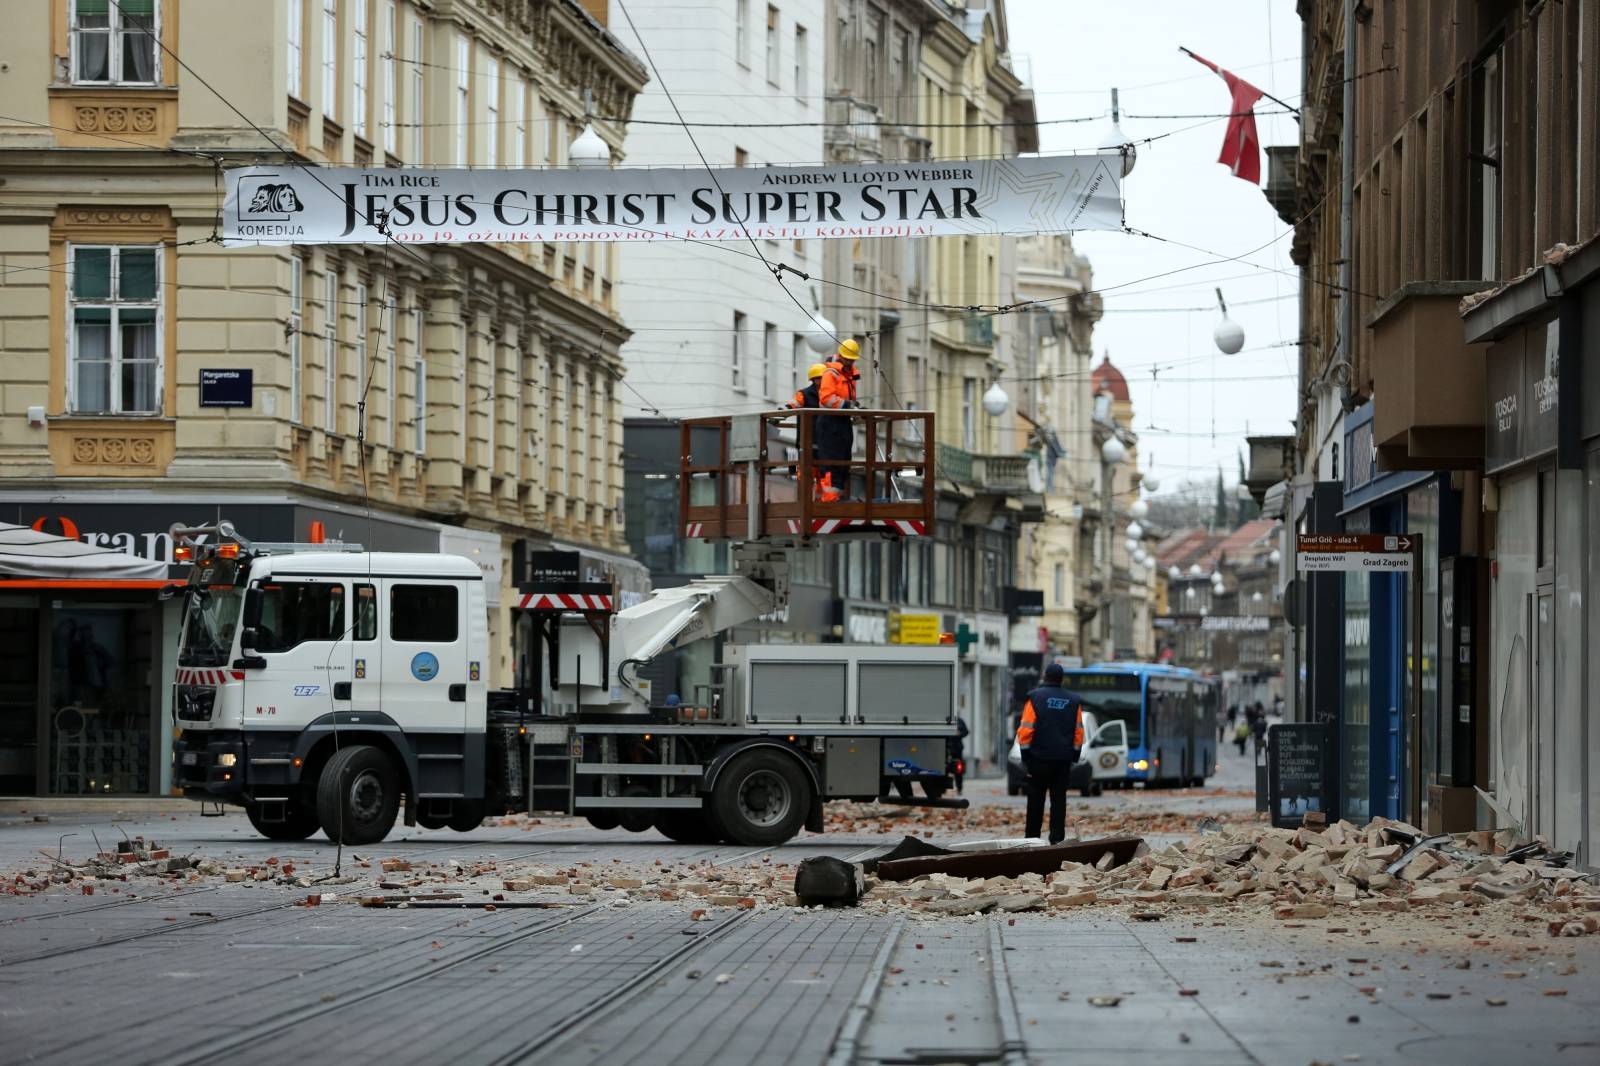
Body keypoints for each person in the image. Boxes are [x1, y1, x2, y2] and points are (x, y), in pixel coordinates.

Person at [1017, 662, 1085, 845]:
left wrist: (1026, 757)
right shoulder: (1073, 701)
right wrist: (1074, 756)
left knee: (1035, 800)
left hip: (1038, 759)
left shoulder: (1035, 698)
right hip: (1062, 760)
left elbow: (1025, 730)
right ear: (1061, 679)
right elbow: (1079, 732)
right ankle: (1056, 840)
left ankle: (1031, 839)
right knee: (1059, 800)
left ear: (1045, 676)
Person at [815, 338, 862, 502]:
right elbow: (826, 398)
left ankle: (837, 496)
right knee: (831, 461)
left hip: (842, 422)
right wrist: (847, 405)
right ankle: (829, 498)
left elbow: (846, 400)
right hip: (829, 422)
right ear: (841, 356)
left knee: (844, 460)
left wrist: (854, 407)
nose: (849, 361)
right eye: (847, 358)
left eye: (852, 359)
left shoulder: (849, 376)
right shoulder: (831, 373)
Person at [951, 716, 970, 795]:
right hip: (946, 746)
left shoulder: (959, 721)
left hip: (957, 748)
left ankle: (959, 787)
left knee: (958, 769)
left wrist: (959, 734)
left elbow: (966, 732)